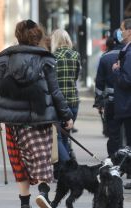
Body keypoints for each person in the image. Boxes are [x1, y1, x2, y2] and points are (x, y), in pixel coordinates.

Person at [0, 19, 73, 208]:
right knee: (42, 157)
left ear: (18, 35)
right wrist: (66, 116)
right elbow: (55, 92)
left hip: (12, 119)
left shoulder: (4, 58)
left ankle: (24, 207)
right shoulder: (46, 59)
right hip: (40, 117)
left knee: (19, 160)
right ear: (38, 36)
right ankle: (44, 194)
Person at [50, 29, 81, 177]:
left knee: (57, 138)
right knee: (65, 136)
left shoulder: (52, 57)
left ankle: (68, 169)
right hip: (74, 102)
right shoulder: (76, 55)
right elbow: (76, 77)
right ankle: (62, 170)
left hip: (58, 103)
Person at [93, 30, 124, 158]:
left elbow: (99, 83)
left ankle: (114, 161)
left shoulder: (105, 58)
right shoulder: (127, 54)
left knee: (113, 133)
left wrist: (98, 101)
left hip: (111, 102)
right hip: (127, 101)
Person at [112, 18, 131, 189]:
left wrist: (117, 70)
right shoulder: (126, 51)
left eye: (122, 29)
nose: (120, 32)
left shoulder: (130, 53)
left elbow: (127, 80)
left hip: (128, 105)